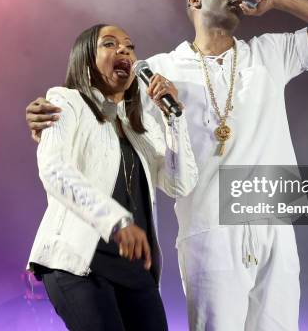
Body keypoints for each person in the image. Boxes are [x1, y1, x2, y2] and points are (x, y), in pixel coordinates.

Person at [26, 0, 308, 330]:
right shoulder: (158, 69)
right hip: (209, 226)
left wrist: (282, 0)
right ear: (195, 1)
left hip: (272, 219)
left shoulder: (269, 52)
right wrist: (44, 118)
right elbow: (104, 115)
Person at [26, 24, 198, 331]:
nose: (124, 51)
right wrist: (115, 221)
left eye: (130, 47)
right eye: (110, 44)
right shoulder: (66, 102)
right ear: (86, 61)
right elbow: (53, 168)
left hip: (134, 271)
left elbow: (179, 183)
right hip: (79, 262)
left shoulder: (140, 124)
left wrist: (173, 119)